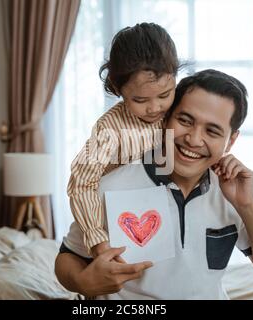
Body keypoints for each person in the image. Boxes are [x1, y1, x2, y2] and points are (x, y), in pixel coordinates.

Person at [56, 69, 253, 299]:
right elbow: (69, 256)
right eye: (185, 120)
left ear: (231, 141)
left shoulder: (231, 191)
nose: (193, 139)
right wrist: (83, 282)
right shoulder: (111, 185)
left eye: (212, 131)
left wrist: (247, 205)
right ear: (166, 118)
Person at [67, 22, 180, 258]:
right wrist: (97, 238)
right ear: (119, 89)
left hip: (165, 221)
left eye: (164, 95)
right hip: (119, 222)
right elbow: (81, 182)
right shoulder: (109, 129)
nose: (154, 107)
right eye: (140, 100)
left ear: (175, 78)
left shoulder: (180, 111)